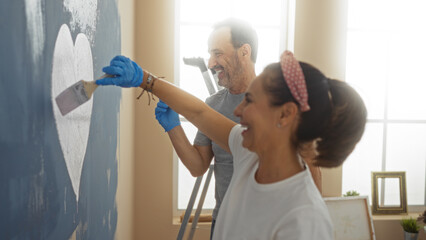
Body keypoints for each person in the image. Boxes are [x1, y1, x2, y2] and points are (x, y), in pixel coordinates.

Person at [96, 50, 367, 239]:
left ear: (284, 114)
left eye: (250, 100)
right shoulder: (249, 153)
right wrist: (145, 79)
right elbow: (201, 113)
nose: (238, 112)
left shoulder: (304, 218)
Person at [154, 18, 322, 237]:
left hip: (266, 225)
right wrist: (173, 127)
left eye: (217, 53)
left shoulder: (278, 100)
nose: (210, 62)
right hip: (223, 221)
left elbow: (310, 164)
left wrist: (316, 219)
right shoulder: (213, 104)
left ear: (245, 51)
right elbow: (198, 167)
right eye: (209, 54)